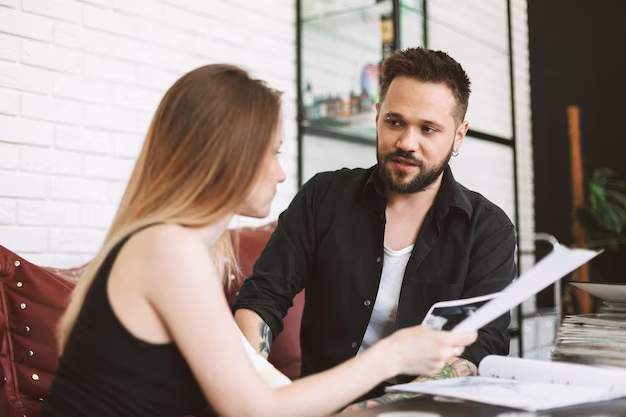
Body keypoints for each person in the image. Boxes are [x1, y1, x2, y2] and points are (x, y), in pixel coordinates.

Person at [41, 64, 477, 417]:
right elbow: (253, 409)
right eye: (273, 152)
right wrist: (391, 357)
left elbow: (253, 384)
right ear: (228, 157)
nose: (281, 173)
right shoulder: (168, 250)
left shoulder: (180, 247)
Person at [234, 47, 517, 405]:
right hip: (322, 404)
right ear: (378, 115)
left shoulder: (488, 229)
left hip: (423, 410)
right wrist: (249, 390)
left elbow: (482, 345)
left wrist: (374, 411)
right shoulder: (323, 196)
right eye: (394, 122)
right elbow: (263, 297)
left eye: (428, 129)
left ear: (458, 136)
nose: (406, 143)